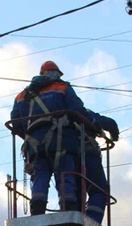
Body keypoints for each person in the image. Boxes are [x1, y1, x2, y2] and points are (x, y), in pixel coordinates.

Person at [10, 60, 117, 216]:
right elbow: (78, 110)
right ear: (56, 74)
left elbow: (16, 122)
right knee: (64, 172)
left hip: (34, 145)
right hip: (60, 141)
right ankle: (68, 206)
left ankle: (37, 207)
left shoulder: (22, 96)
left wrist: (29, 134)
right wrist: (95, 124)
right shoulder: (62, 87)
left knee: (41, 173)